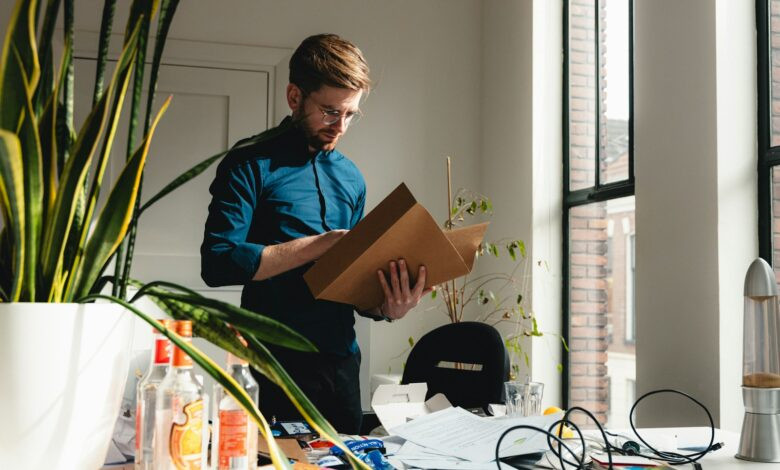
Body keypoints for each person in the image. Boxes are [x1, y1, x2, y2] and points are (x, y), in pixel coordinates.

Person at [200, 33, 430, 434]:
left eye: (350, 114)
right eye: (329, 112)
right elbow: (217, 261)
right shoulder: (249, 163)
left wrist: (388, 307)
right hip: (272, 365)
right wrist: (321, 246)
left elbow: (354, 288)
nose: (340, 126)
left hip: (341, 368)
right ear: (294, 97)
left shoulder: (352, 178)